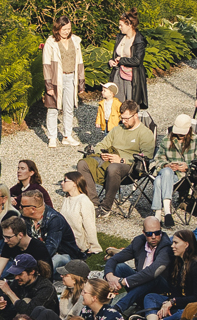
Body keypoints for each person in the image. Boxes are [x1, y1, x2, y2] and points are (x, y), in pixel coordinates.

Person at [81, 101, 153, 212]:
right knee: (83, 164)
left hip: (130, 168)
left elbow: (146, 157)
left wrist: (122, 160)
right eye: (122, 118)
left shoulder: (145, 133)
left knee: (114, 167)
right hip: (109, 162)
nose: (123, 121)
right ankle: (93, 203)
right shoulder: (117, 129)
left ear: (135, 115)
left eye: (126, 119)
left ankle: (105, 207)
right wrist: (102, 154)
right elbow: (100, 145)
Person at [149, 113, 197, 227]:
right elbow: (158, 158)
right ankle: (167, 212)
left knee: (158, 181)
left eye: (182, 133)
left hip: (185, 178)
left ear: (189, 129)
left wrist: (189, 166)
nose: (179, 135)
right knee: (166, 172)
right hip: (168, 174)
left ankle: (158, 214)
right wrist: (166, 165)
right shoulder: (167, 140)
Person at [39, 21, 84, 149]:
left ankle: (67, 136)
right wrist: (48, 85)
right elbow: (46, 64)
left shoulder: (75, 41)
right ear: (57, 28)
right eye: (64, 29)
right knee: (53, 108)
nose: (66, 31)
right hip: (55, 78)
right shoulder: (51, 42)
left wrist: (81, 83)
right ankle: (52, 137)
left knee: (69, 108)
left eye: (69, 29)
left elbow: (80, 62)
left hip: (71, 77)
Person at [107, 12, 148, 109]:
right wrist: (111, 61)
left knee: (130, 106)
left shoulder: (139, 40)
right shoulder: (120, 37)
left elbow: (137, 60)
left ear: (129, 25)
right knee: (117, 104)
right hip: (118, 74)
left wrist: (121, 60)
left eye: (121, 25)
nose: (119, 27)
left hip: (132, 77)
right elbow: (116, 54)